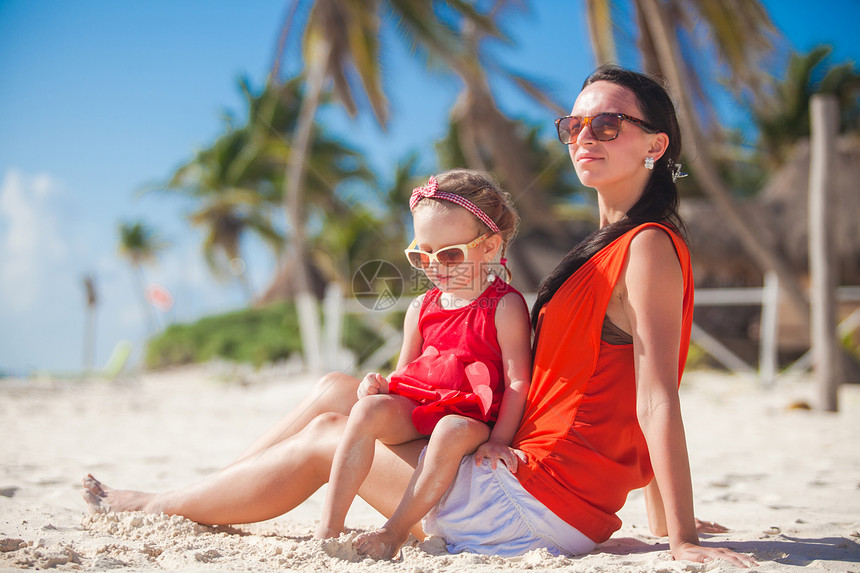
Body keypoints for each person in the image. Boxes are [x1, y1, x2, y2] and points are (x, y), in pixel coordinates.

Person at [82, 65, 756, 567]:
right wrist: (663, 517)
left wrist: (682, 537)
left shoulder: (645, 248)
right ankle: (200, 489)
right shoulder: (602, 247)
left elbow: (658, 396)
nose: (584, 136)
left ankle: (159, 503)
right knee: (337, 394)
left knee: (328, 434)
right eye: (573, 124)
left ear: (655, 145)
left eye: (607, 124)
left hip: (534, 503)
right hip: (528, 476)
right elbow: (614, 394)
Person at [315, 170, 532, 560]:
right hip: (421, 409)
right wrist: (380, 388)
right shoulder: (421, 307)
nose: (434, 265)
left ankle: (393, 532)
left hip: (472, 418)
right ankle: (329, 527)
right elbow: (404, 374)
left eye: (450, 254)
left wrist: (500, 439)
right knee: (365, 410)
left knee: (450, 428)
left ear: (489, 246)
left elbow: (517, 382)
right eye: (421, 253)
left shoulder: (503, 306)